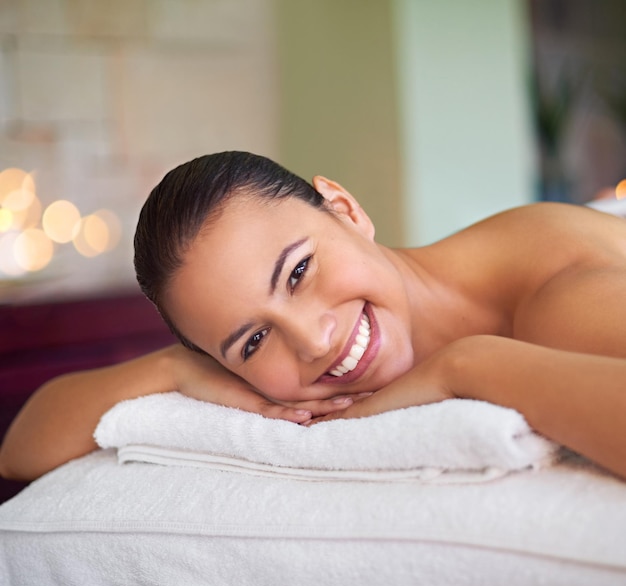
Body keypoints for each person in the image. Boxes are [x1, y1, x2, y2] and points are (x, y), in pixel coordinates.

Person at [1, 151, 626, 482]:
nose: (314, 341)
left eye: (298, 272)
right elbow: (22, 448)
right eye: (254, 340)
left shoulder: (563, 300)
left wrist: (470, 366)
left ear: (346, 210)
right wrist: (176, 370)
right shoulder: (217, 364)